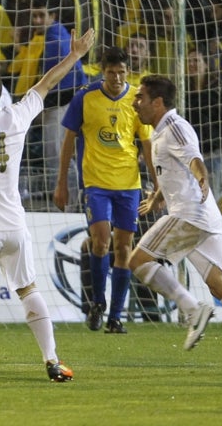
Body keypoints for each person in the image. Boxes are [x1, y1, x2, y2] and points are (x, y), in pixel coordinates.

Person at [0, 29, 92, 385]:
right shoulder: (18, 115)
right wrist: (74, 55)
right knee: (28, 289)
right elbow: (45, 83)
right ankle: (53, 361)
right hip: (15, 226)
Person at [126, 76, 222, 369]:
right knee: (220, 286)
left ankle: (190, 309)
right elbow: (176, 169)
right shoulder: (160, 132)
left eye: (140, 97)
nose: (136, 103)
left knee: (137, 260)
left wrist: (202, 177)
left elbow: (193, 159)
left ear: (158, 102)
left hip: (189, 215)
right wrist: (159, 196)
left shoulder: (175, 127)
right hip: (201, 217)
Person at [53, 46, 153, 334]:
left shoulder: (135, 99)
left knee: (124, 248)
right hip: (95, 183)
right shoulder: (86, 97)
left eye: (122, 72)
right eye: (112, 72)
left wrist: (156, 184)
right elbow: (68, 139)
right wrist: (62, 182)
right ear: (102, 71)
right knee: (100, 242)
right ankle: (97, 303)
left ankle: (116, 316)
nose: (117, 78)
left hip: (129, 185)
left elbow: (146, 143)